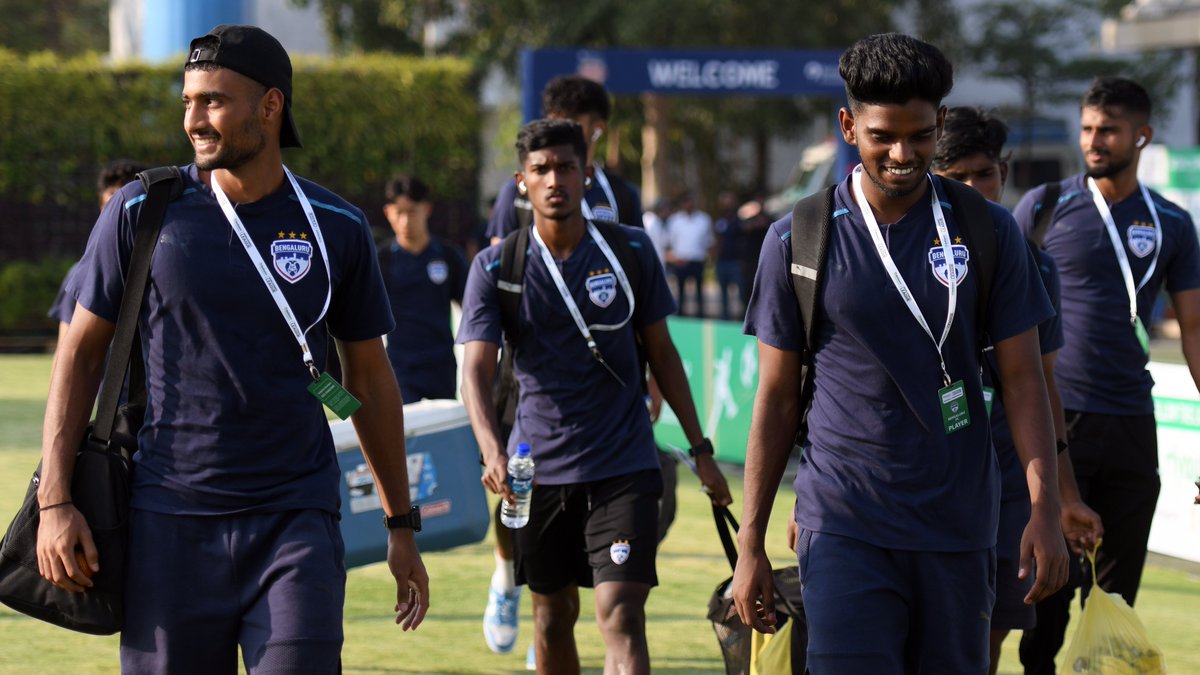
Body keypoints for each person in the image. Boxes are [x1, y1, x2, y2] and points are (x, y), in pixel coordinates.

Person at [35, 24, 428, 674]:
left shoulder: (338, 228)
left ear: (271, 106)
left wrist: (401, 524)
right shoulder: (142, 211)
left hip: (294, 520)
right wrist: (56, 501)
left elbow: (368, 379)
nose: (195, 119)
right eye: (189, 101)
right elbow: (77, 355)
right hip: (168, 522)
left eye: (214, 101)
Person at [731, 33, 1069, 674]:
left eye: (919, 135)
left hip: (959, 524)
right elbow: (774, 400)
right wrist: (751, 541)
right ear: (847, 125)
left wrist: (1044, 509)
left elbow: (1025, 382)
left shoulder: (988, 231)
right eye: (883, 134)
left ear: (940, 123)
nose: (902, 153)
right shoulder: (800, 237)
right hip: (845, 521)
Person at [459, 119, 732, 674]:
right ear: (521, 181)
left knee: (621, 613)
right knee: (553, 616)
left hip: (624, 465)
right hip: (537, 471)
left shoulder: (630, 250)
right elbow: (475, 372)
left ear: (587, 174)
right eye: (541, 170)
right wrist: (492, 450)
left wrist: (701, 450)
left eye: (565, 167)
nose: (554, 179)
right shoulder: (496, 267)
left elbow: (664, 354)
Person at [1014, 76, 1200, 675]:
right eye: (1088, 127)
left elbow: (1194, 329)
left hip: (1130, 423)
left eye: (1109, 130)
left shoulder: (1171, 222)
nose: (1093, 140)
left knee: (1119, 596)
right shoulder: (1043, 206)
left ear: (1141, 136)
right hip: (1053, 421)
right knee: (1049, 594)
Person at [933, 105, 1103, 675]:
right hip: (922, 478)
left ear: (1004, 171)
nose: (975, 188)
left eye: (984, 172)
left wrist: (1064, 497)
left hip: (1010, 485)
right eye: (957, 177)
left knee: (989, 640)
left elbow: (1042, 383)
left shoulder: (1035, 262)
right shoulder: (903, 255)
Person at [480, 74, 644, 657]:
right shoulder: (515, 193)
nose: (578, 134)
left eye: (587, 125)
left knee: (617, 600)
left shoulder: (620, 194)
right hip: (524, 370)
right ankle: (510, 577)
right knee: (508, 484)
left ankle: (562, 598)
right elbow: (499, 277)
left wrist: (646, 371)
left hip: (606, 384)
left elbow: (638, 295)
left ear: (598, 131)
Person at [487, 74, 642, 244]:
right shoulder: (518, 191)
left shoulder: (622, 194)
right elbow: (500, 260)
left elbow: (636, 259)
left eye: (570, 122)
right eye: (554, 121)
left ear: (598, 128)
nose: (560, 130)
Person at [378, 174, 467, 403]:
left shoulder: (448, 256)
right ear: (388, 213)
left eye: (412, 211)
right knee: (407, 433)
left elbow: (472, 309)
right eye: (399, 212)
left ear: (426, 209)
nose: (406, 221)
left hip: (442, 365)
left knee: (442, 432)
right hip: (400, 368)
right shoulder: (382, 260)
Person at [48, 159, 149, 345]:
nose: (120, 221)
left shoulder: (166, 270)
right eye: (113, 208)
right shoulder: (81, 274)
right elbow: (66, 347)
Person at [664, 193, 713, 318]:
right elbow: (669, 241)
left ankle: (700, 315)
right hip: (680, 260)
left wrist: (710, 259)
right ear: (682, 205)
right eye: (686, 202)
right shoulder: (675, 220)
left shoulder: (704, 219)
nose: (688, 205)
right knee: (680, 291)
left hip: (697, 260)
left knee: (699, 291)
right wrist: (673, 258)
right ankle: (681, 316)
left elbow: (709, 241)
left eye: (690, 202)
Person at [713, 191, 742, 321]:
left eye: (729, 202)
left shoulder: (739, 221)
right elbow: (717, 240)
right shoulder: (720, 221)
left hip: (735, 262)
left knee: (741, 293)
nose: (727, 205)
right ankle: (725, 319)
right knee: (723, 295)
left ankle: (742, 319)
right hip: (721, 262)